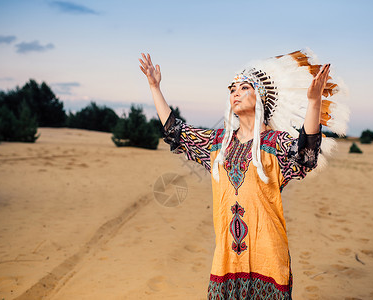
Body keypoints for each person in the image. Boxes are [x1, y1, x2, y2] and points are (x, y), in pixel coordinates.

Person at [139, 51, 346, 299]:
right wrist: (155, 87)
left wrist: (314, 102)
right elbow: (177, 132)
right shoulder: (218, 144)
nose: (235, 93)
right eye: (232, 89)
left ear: (261, 97)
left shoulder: (276, 143)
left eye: (244, 87)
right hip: (226, 261)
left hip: (268, 260)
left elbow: (306, 154)